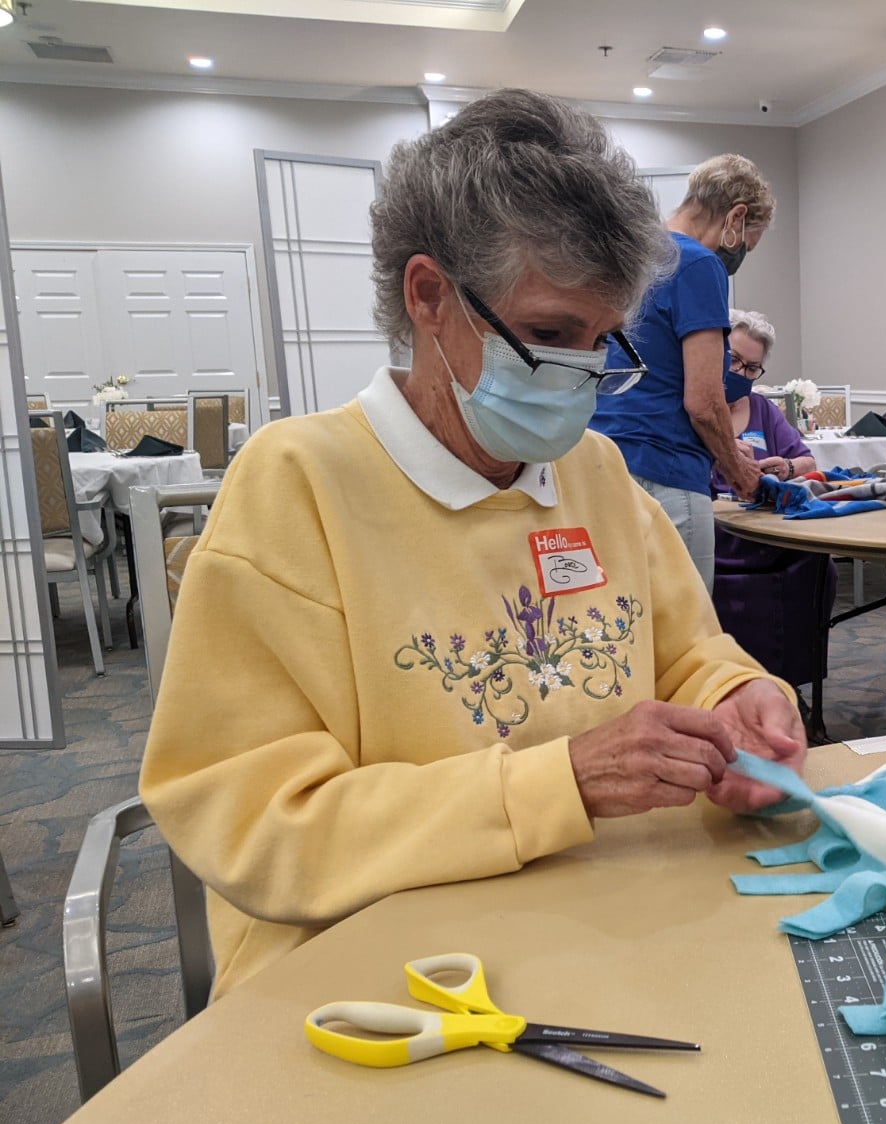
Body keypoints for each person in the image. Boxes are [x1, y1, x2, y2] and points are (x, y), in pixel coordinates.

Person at [139, 91, 805, 999]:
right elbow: (256, 824)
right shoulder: (296, 490)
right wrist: (559, 782)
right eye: (548, 334)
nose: (582, 373)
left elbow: (686, 651)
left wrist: (741, 694)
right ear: (429, 297)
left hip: (612, 933)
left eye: (603, 340)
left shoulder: (597, 473)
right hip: (374, 980)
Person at [590, 153, 775, 589]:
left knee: (623, 622)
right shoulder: (698, 265)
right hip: (666, 473)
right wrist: (738, 470)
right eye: (748, 242)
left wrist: (727, 449)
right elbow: (704, 403)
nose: (740, 253)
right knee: (686, 635)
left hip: (602, 462)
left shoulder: (632, 254)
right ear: (736, 216)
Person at [711, 310, 835, 688]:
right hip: (718, 532)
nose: (741, 374)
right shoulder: (693, 409)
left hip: (768, 531)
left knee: (816, 565)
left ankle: (793, 683)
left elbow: (807, 460)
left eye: (752, 368)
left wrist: (784, 468)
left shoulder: (763, 409)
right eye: (733, 361)